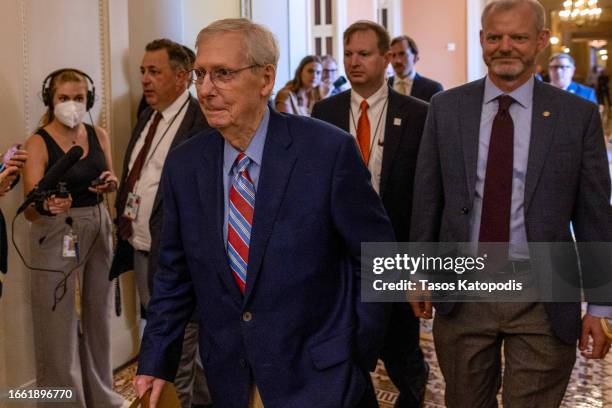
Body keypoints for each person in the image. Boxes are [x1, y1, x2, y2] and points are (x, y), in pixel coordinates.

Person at [134, 18, 395, 408]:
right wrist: (155, 359)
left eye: (222, 74)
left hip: (321, 378)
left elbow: (378, 259)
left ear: (265, 79)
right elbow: (174, 274)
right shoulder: (185, 165)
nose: (205, 90)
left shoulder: (326, 152)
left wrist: (356, 350)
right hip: (230, 378)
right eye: (200, 74)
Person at [409, 1, 612, 407]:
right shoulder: (447, 109)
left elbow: (595, 216)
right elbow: (427, 197)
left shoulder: (578, 116)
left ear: (540, 41)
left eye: (518, 37)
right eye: (495, 37)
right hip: (463, 293)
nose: (505, 46)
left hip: (544, 297)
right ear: (481, 40)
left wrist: (602, 305)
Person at [312, 20, 430, 408]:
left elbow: (425, 197)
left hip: (395, 254)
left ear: (387, 58)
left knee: (403, 356)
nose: (354, 62)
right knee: (346, 351)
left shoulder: (417, 114)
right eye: (348, 54)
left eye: (364, 54)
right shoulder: (324, 110)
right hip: (342, 259)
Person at [109, 38, 212, 408]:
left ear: (182, 77)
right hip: (140, 249)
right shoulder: (147, 116)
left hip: (177, 257)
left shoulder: (201, 122)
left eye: (155, 72)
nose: (146, 80)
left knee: (175, 355)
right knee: (164, 336)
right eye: (142, 72)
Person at [22, 68, 123, 407]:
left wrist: (110, 183)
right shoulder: (38, 142)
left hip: (97, 223)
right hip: (56, 232)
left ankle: (102, 397)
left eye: (79, 98)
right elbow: (30, 207)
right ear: (50, 100)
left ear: (89, 99)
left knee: (98, 314)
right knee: (57, 320)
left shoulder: (99, 134)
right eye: (64, 98)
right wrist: (48, 205)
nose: (72, 105)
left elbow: (111, 178)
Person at [388, 35, 443, 102]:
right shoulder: (383, 87)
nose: (397, 60)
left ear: (415, 57)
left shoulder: (433, 89)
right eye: (393, 55)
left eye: (402, 54)